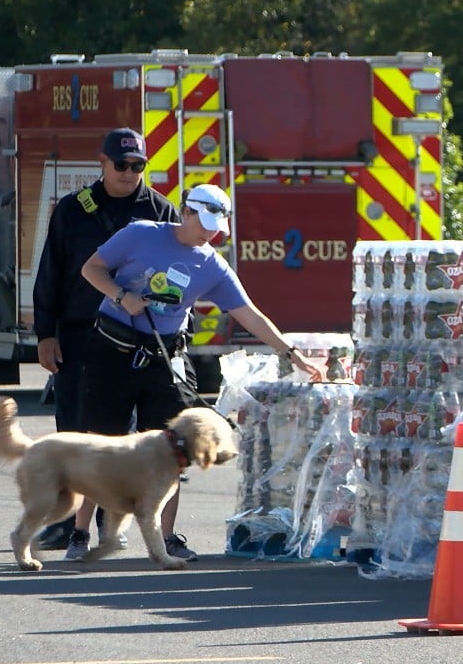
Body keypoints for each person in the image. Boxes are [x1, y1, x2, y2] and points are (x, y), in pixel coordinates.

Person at [65, 183, 322, 562]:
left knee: (173, 449)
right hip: (112, 352)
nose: (210, 232)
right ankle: (80, 532)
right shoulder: (140, 235)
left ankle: (168, 538)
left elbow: (249, 313)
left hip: (164, 359)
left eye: (217, 226)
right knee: (101, 442)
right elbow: (92, 268)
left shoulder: (212, 265)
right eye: (204, 222)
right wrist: (123, 296)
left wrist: (291, 353)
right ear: (186, 212)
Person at [33, 128, 181, 550]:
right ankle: (64, 522)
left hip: (133, 340)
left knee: (118, 437)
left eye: (138, 166)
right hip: (79, 334)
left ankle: (106, 525)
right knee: (75, 430)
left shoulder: (159, 211)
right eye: (121, 164)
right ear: (102, 162)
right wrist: (46, 334)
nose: (129, 173)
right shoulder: (74, 210)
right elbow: (51, 274)